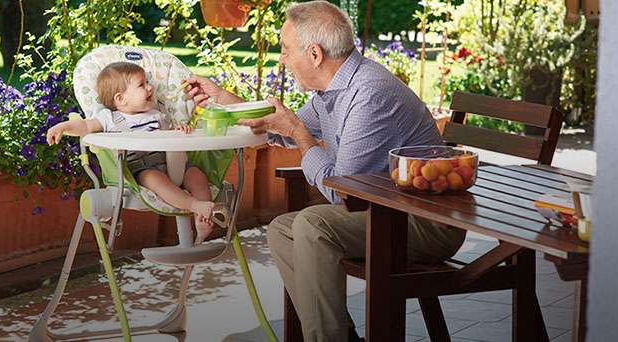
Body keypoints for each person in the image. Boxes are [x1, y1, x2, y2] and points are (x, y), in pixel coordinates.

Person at [184, 2, 466, 341]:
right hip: (387, 213)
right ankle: (339, 336)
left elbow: (340, 191)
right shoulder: (335, 89)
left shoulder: (369, 95)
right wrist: (223, 98)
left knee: (313, 224)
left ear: (315, 54)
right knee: (283, 230)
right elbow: (280, 127)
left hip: (424, 223)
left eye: (286, 51)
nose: (283, 59)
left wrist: (300, 135)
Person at [47, 62, 216, 244]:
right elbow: (86, 126)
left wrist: (179, 129)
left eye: (147, 82)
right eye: (142, 85)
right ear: (121, 99)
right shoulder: (110, 119)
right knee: (154, 179)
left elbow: (170, 132)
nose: (150, 87)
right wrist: (63, 127)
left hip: (174, 162)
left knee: (196, 175)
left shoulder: (157, 113)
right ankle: (195, 205)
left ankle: (204, 218)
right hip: (143, 167)